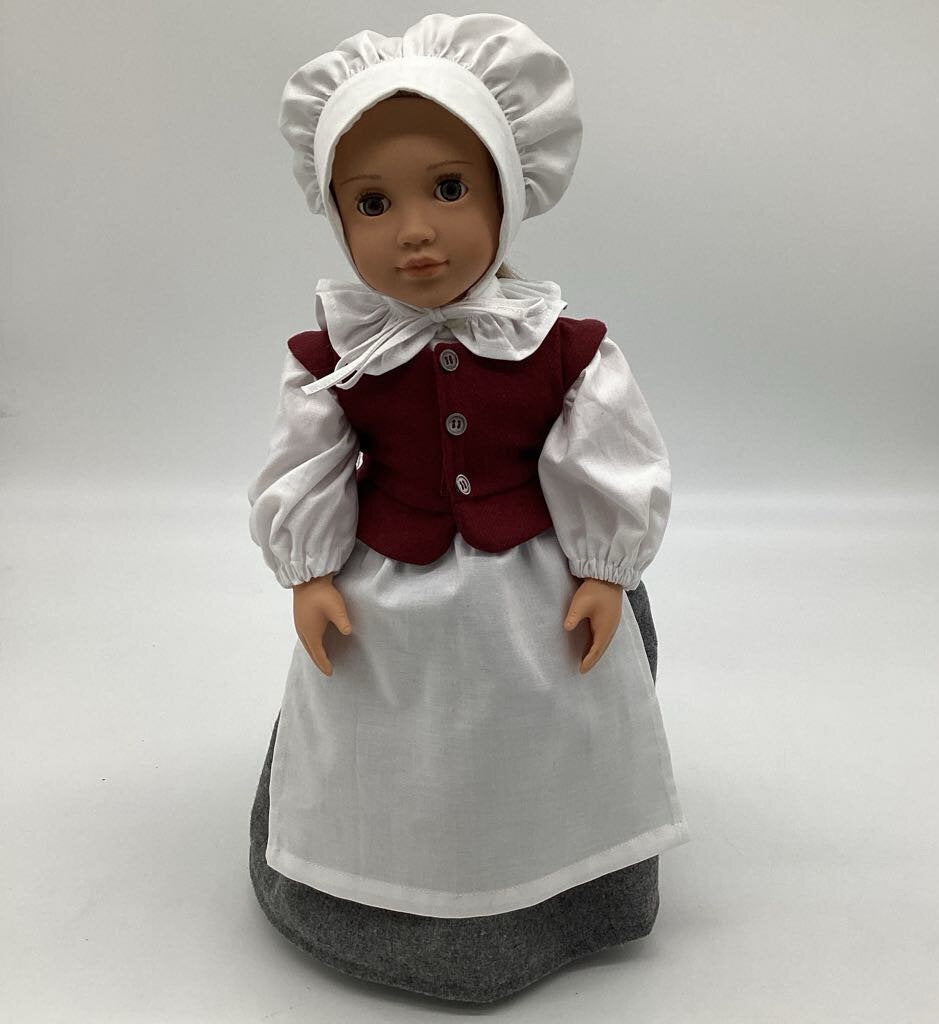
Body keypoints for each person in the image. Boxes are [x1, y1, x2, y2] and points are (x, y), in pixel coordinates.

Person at [247, 12, 690, 1004]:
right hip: (387, 593)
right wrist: (310, 573)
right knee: (385, 742)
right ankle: (375, 888)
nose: (414, 230)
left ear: (506, 189)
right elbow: (306, 465)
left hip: (532, 586)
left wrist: (605, 570)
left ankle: (563, 891)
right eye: (373, 202)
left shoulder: (562, 347)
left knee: (543, 732)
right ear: (337, 215)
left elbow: (606, 458)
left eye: (448, 188)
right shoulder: (337, 358)